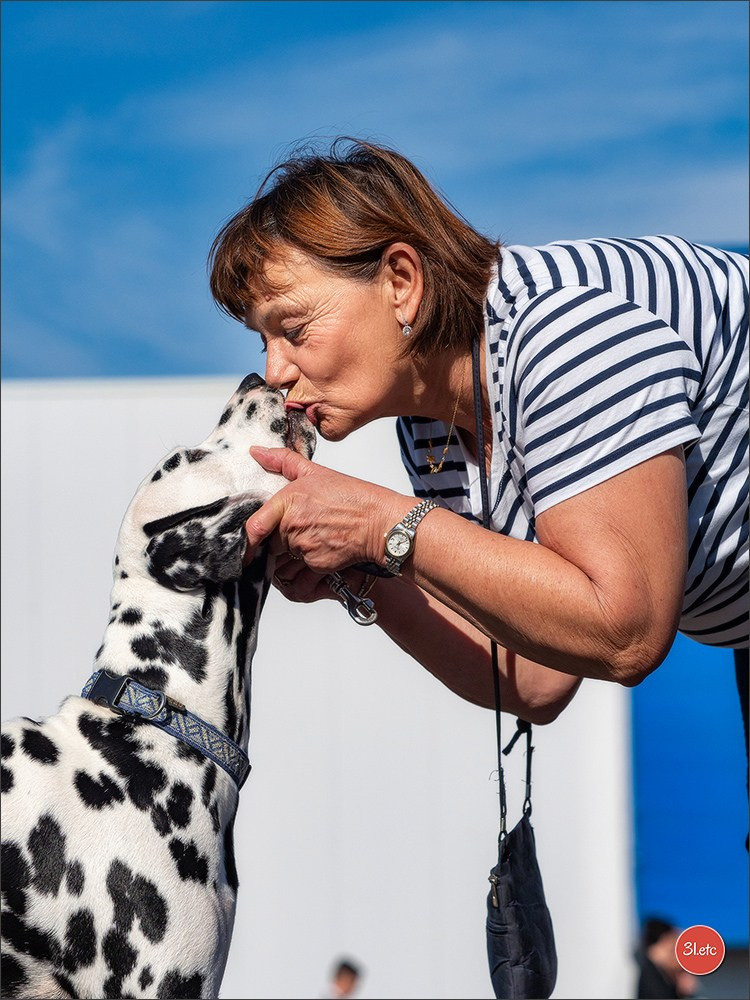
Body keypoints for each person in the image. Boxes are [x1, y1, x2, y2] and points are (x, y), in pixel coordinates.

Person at [207, 137, 749, 732]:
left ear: (400, 281)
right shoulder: (431, 423)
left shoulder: (564, 337)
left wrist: (378, 523)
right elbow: (537, 680)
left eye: (294, 329)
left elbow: (626, 632)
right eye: (264, 341)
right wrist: (366, 572)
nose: (275, 372)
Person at [635, 917, 697, 999]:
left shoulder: (663, 979)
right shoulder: (652, 983)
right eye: (672, 951)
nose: (678, 960)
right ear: (653, 950)